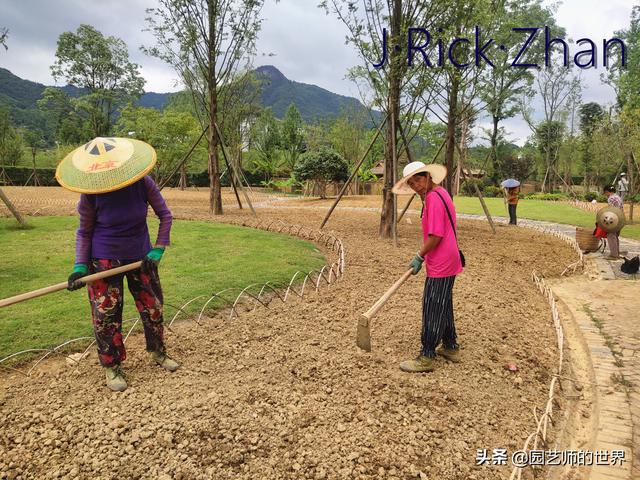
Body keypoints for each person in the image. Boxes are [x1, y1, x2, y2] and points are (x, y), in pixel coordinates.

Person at [56, 137, 179, 392]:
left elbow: (165, 215)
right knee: (106, 315)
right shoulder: (90, 196)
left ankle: (158, 352)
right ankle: (111, 366)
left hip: (141, 257)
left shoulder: (142, 183)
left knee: (153, 307)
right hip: (104, 260)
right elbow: (84, 232)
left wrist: (158, 249)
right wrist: (80, 267)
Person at [392, 162, 464, 373]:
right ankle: (450, 346)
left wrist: (419, 256)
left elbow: (436, 236)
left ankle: (427, 355)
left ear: (428, 176)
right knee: (443, 303)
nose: (416, 185)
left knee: (432, 305)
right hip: (449, 258)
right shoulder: (441, 193)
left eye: (418, 179)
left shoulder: (433, 198)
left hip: (442, 261)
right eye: (411, 183)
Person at [603, 186, 623, 259]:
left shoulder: (611, 198)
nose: (605, 195)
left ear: (607, 191)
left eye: (605, 193)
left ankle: (614, 255)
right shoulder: (618, 197)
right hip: (621, 217)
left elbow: (611, 210)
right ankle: (616, 252)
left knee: (611, 235)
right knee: (615, 236)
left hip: (614, 218)